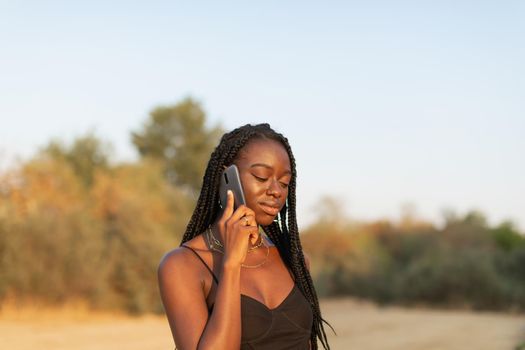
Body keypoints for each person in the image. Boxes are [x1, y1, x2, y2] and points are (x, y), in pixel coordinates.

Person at [158, 123, 331, 349]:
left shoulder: (293, 259)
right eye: (261, 177)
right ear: (226, 177)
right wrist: (231, 265)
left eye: (284, 182)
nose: (276, 191)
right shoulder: (182, 265)